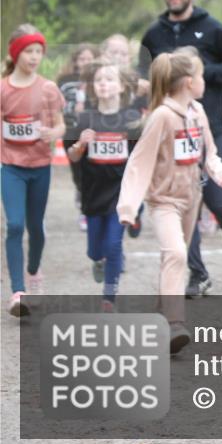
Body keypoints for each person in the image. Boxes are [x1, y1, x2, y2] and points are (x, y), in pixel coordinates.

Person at [138, 0, 222, 297]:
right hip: (170, 131)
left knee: (216, 199)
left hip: (207, 125)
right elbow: (144, 74)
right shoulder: (154, 34)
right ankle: (197, 274)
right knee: (183, 203)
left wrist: (204, 77)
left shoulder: (212, 28)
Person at [117, 49, 222, 354]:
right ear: (186, 81)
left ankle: (159, 317)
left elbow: (209, 152)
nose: (205, 80)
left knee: (172, 259)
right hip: (163, 201)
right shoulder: (162, 116)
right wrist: (128, 206)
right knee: (178, 254)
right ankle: (174, 324)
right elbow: (139, 162)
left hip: (190, 198)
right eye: (200, 75)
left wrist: (220, 172)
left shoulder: (196, 111)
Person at [64, 59, 142, 312]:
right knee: (95, 251)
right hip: (93, 192)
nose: (103, 84)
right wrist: (80, 145)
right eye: (99, 80)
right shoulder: (85, 118)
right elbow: (73, 157)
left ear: (121, 86)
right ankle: (98, 261)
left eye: (109, 79)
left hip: (120, 194)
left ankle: (109, 297)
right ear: (92, 87)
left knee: (113, 244)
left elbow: (140, 156)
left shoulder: (131, 119)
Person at [1, 25, 66, 317]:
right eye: (29, 51)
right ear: (16, 54)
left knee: (36, 227)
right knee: (15, 225)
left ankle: (33, 270)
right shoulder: (3, 89)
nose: (34, 57)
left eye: (39, 51)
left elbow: (62, 124)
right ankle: (18, 291)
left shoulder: (48, 89)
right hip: (10, 166)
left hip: (40, 166)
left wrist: (54, 133)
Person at [56, 42, 98, 232]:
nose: (86, 62)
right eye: (82, 59)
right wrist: (75, 110)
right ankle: (81, 195)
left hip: (93, 134)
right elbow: (60, 107)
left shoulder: (100, 80)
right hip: (71, 133)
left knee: (92, 170)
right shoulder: (65, 82)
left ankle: (88, 210)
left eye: (90, 58)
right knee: (78, 171)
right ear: (75, 61)